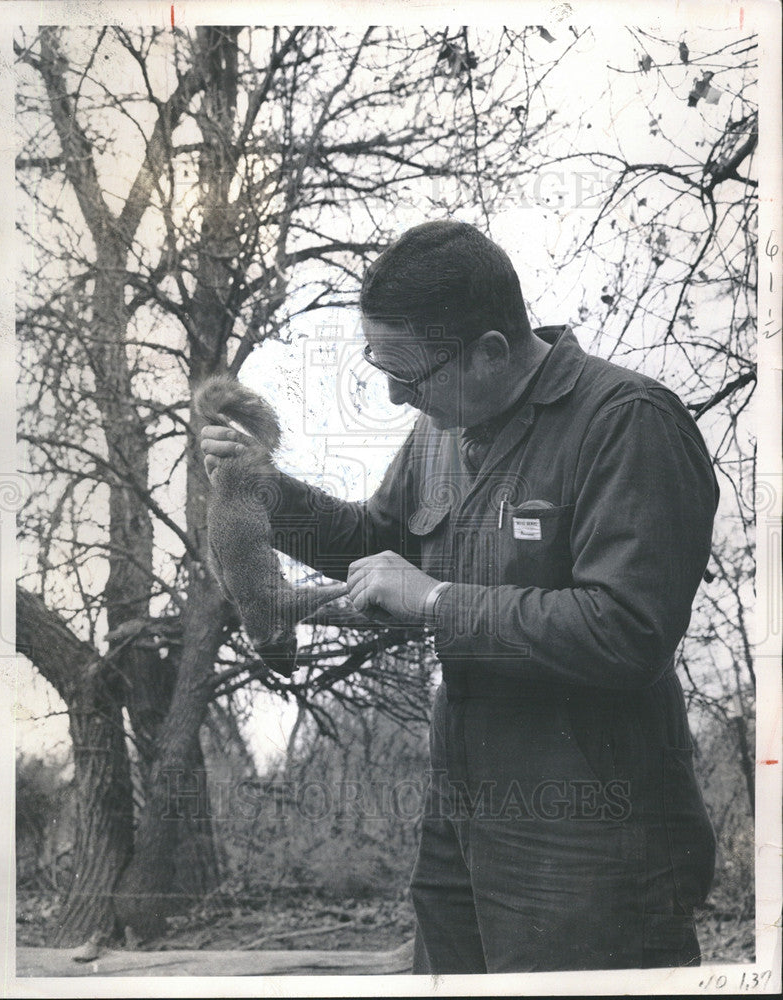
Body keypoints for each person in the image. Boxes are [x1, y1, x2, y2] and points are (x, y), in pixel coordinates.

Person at [201, 220, 719, 973]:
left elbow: (626, 630)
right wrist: (266, 491)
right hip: (463, 815)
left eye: (410, 376)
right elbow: (381, 540)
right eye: (379, 366)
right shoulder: (445, 425)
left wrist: (437, 601)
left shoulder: (627, 423)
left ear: (489, 352)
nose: (393, 394)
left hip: (594, 833)